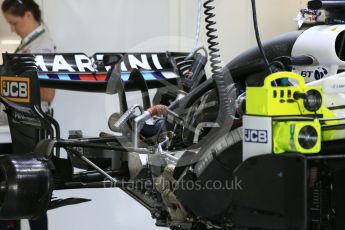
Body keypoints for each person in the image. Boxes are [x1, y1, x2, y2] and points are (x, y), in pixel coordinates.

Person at [1, 0, 56, 229]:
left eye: (13, 23)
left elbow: (47, 93)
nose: (12, 29)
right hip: (16, 127)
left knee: (33, 197)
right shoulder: (28, 43)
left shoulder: (43, 45)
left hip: (31, 131)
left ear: (27, 15)